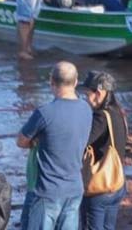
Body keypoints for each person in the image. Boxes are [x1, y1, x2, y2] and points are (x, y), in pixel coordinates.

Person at [17, 61, 93, 230]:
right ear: (76, 81)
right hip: (74, 186)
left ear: (51, 81)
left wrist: (35, 141)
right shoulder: (86, 109)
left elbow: (21, 141)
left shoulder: (44, 112)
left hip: (48, 189)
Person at [79, 71, 128, 230]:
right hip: (117, 183)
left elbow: (82, 142)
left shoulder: (100, 117)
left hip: (99, 185)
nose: (86, 99)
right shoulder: (118, 112)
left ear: (99, 93)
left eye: (88, 94)